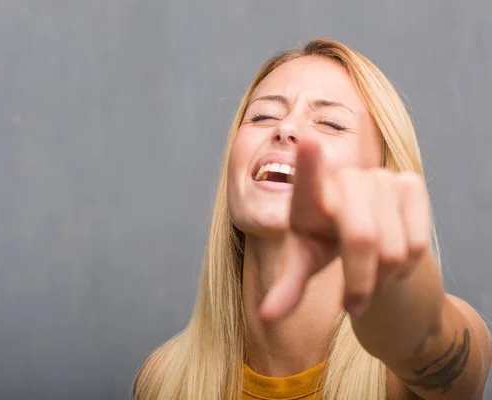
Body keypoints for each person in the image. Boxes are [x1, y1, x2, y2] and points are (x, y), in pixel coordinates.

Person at [133, 38, 492, 400]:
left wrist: (410, 323)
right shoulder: (165, 380)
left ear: (379, 175)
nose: (285, 127)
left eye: (331, 123)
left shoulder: (402, 382)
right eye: (263, 115)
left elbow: (444, 357)